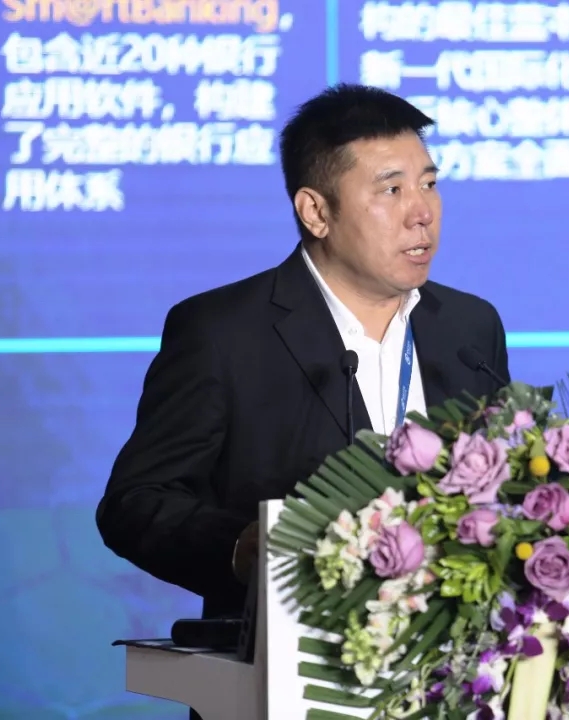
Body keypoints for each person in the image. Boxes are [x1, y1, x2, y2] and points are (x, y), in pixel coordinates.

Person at [96, 84, 512, 626]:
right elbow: (136, 502)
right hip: (285, 654)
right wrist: (246, 548)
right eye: (391, 190)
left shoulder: (469, 327)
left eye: (429, 184)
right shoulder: (223, 333)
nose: (421, 213)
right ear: (316, 211)